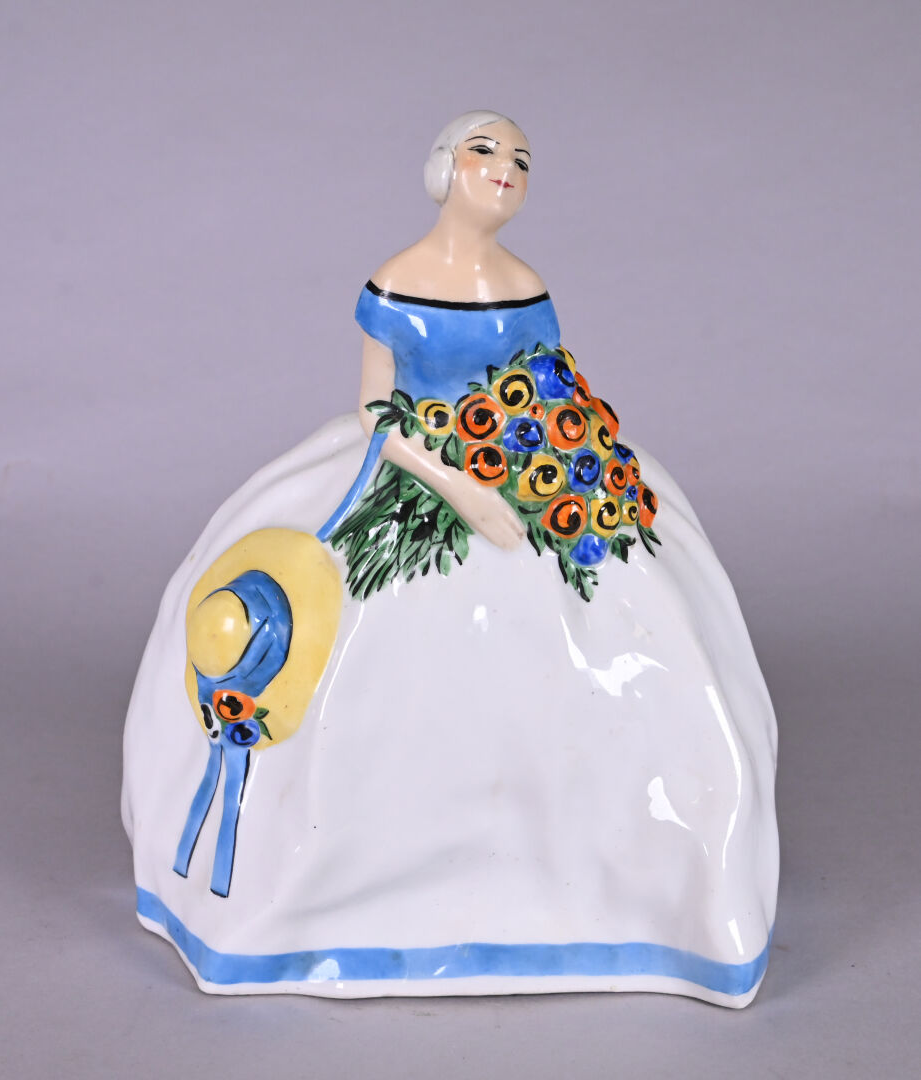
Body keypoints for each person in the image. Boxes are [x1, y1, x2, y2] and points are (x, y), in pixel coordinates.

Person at [123, 111, 778, 1007]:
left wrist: (556, 468)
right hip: (414, 465)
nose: (505, 167)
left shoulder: (525, 284)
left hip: (523, 465)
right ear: (444, 168)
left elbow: (549, 391)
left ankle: (633, 888)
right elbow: (376, 411)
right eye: (485, 150)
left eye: (521, 159)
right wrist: (461, 489)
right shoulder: (397, 280)